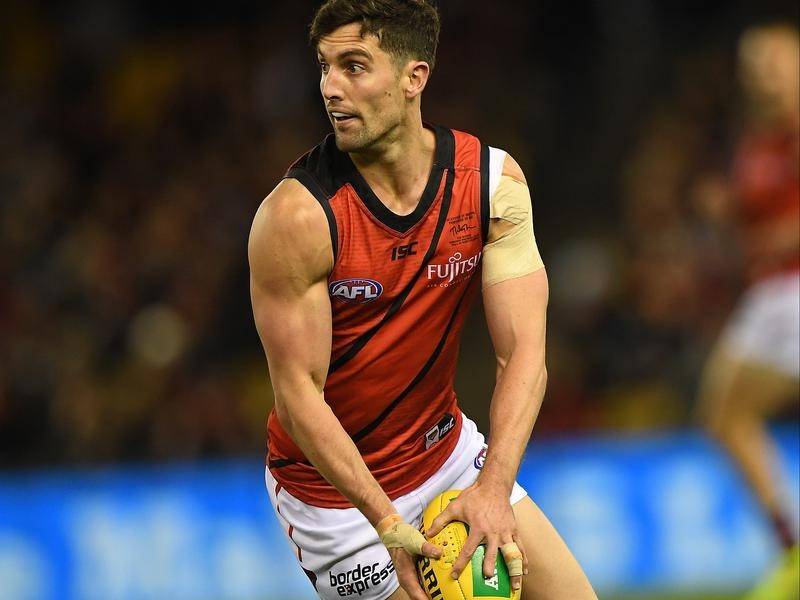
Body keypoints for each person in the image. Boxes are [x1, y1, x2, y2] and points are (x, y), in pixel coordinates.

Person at [247, 1, 597, 599]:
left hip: (446, 455)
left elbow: (524, 353)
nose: (330, 88)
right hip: (337, 500)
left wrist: (493, 487)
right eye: (325, 67)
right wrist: (386, 523)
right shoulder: (297, 217)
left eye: (354, 67)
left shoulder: (491, 186)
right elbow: (298, 395)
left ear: (415, 78)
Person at [695, 20, 799, 600]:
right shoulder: (756, 141)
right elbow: (754, 226)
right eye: (753, 65)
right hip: (769, 295)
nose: (763, 74)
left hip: (794, 289)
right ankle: (791, 547)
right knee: (722, 413)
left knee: (728, 409)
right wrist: (727, 211)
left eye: (774, 61)